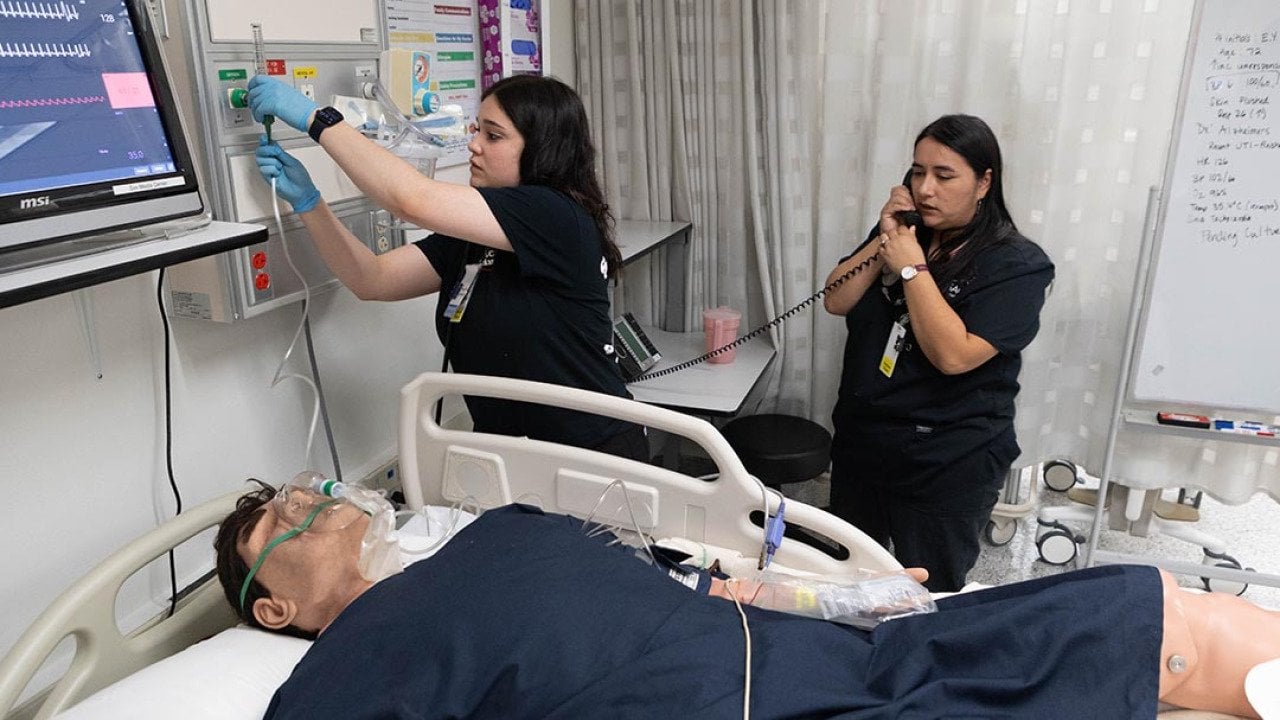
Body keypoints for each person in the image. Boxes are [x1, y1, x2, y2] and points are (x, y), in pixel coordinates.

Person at [215, 484, 1278, 718]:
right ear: (272, 608)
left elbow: (709, 580)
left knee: (1133, 597)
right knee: (1138, 640)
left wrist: (856, 600)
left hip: (806, 648)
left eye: (305, 487)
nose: (311, 501)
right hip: (747, 707)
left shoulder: (503, 528)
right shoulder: (338, 670)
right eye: (280, 525)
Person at [245, 74, 647, 461]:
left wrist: (318, 120)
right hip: (512, 455)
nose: (474, 146)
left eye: (493, 135)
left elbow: (413, 200)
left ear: (543, 146)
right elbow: (372, 279)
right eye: (476, 131)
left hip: (594, 454)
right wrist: (310, 204)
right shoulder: (476, 238)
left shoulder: (557, 216)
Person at [822, 114, 1055, 592]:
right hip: (865, 443)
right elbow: (835, 299)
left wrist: (911, 268)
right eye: (917, 172)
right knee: (846, 577)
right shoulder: (905, 234)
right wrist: (887, 235)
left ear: (984, 182)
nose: (926, 189)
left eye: (944, 176)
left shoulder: (1017, 265)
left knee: (931, 592)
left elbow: (954, 356)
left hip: (947, 461)